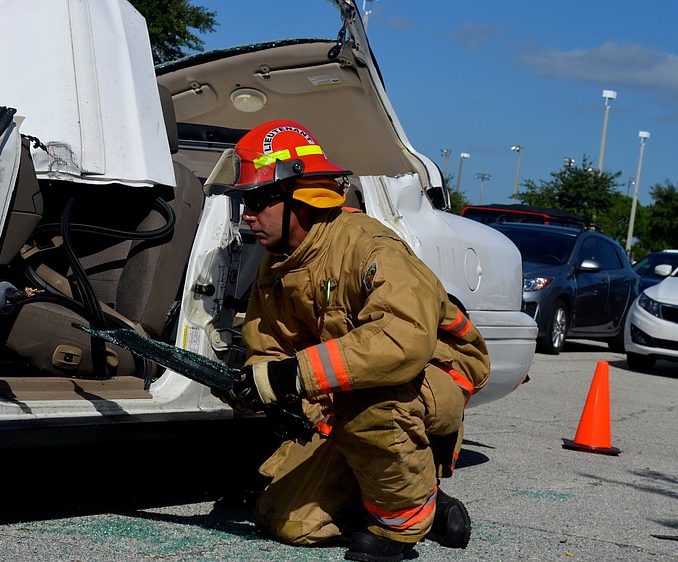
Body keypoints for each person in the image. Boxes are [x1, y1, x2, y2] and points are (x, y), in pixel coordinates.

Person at [207, 120, 490, 562]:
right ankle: (424, 504)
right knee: (288, 522)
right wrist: (253, 386)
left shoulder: (370, 247)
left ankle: (403, 525)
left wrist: (293, 375)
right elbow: (270, 349)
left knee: (372, 400)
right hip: (350, 393)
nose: (248, 215)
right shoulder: (278, 265)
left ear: (303, 198)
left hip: (427, 380)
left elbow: (402, 343)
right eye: (246, 202)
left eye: (260, 201)